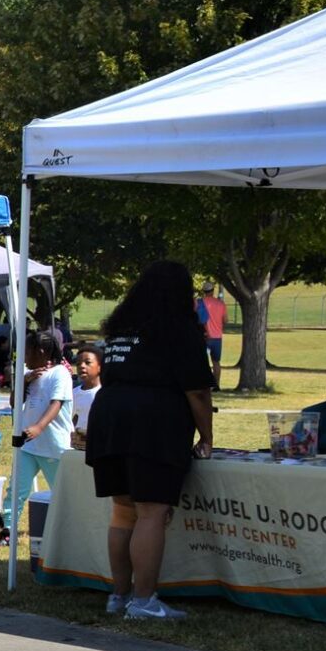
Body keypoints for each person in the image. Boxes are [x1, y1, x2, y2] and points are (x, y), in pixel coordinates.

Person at [85, 260, 215, 621]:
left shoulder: (121, 328)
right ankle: (144, 602)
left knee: (123, 510)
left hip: (109, 417)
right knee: (152, 512)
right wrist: (206, 436)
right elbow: (198, 392)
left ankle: (120, 595)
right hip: (152, 423)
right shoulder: (180, 328)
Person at [0, 330, 76, 550]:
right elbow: (14, 403)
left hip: (53, 446)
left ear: (41, 351)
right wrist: (23, 380)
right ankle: (7, 532)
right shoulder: (27, 372)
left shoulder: (60, 373)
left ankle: (67, 533)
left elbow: (56, 404)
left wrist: (39, 427)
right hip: (28, 445)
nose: (23, 356)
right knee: (16, 490)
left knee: (60, 492)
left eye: (27, 351)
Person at [196, 280, 228, 388]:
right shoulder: (221, 304)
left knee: (202, 363)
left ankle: (204, 385)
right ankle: (216, 385)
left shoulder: (198, 303)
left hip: (203, 337)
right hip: (217, 337)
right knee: (216, 362)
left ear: (204, 291)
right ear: (213, 291)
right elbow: (225, 320)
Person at [68, 344, 103, 435]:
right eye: (78, 363)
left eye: (87, 362)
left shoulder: (104, 394)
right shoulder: (73, 393)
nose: (82, 366)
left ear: (100, 366)